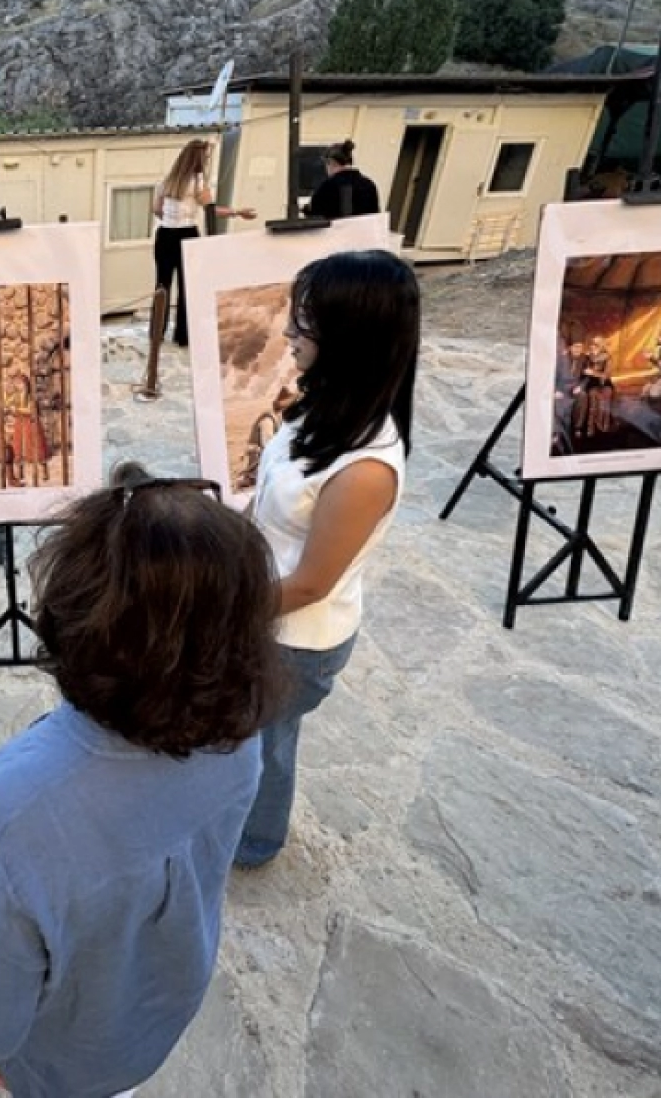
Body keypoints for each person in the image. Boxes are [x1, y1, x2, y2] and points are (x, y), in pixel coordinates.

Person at [0, 462, 285, 1098]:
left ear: (75, 617)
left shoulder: (23, 804)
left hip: (62, 1060)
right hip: (158, 1014)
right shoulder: (242, 731)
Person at [235, 249, 419, 869]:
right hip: (264, 608)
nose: (290, 333)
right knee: (249, 735)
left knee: (265, 744)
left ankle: (254, 842)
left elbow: (311, 584)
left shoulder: (365, 469)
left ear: (350, 335)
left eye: (306, 322)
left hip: (293, 633)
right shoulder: (323, 407)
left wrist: (214, 605)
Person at [152, 139, 257, 348]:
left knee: (162, 285)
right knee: (186, 286)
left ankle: (156, 333)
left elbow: (156, 209)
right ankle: (182, 335)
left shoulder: (167, 181)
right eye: (206, 158)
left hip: (164, 234)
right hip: (187, 234)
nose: (207, 161)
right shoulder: (198, 181)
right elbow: (211, 209)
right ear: (198, 159)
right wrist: (237, 212)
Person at [306, 140, 381, 221]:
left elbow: (315, 219)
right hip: (365, 233)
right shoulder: (369, 185)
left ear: (331, 162)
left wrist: (306, 210)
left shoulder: (326, 187)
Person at [5, 372, 50, 486]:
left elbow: (31, 411)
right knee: (18, 447)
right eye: (17, 384)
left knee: (37, 447)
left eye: (21, 383)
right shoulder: (15, 396)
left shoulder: (31, 397)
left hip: (31, 424)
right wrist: (10, 408)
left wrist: (17, 409)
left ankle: (44, 470)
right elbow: (8, 406)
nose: (18, 386)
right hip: (20, 423)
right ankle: (20, 473)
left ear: (26, 384)